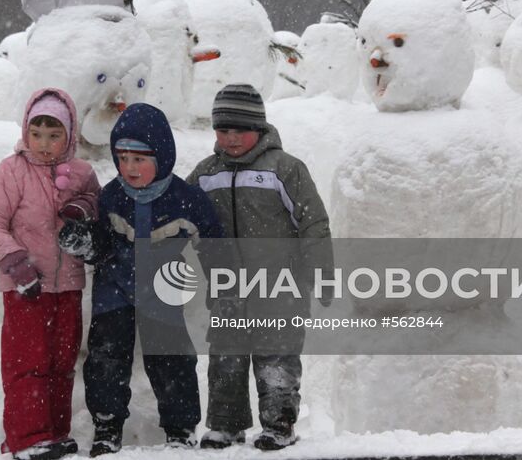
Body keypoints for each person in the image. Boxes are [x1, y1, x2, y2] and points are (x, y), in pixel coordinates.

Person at [69, 103, 223, 456]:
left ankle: (180, 428)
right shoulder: (111, 196)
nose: (130, 168)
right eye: (122, 158)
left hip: (162, 290)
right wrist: (86, 242)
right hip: (115, 291)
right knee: (106, 358)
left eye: (140, 159)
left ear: (163, 156)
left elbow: (213, 244)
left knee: (173, 357)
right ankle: (107, 427)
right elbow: (101, 244)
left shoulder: (185, 199)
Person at [187, 83, 332, 451]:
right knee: (226, 359)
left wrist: (322, 271)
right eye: (224, 130)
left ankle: (279, 425)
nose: (232, 139)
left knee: (276, 358)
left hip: (280, 287)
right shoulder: (205, 174)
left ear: (260, 127)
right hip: (228, 289)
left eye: (240, 130)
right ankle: (225, 425)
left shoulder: (284, 169)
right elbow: (181, 217)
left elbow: (313, 223)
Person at [0, 88, 101, 460]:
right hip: (25, 287)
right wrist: (14, 261)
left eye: (54, 135)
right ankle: (26, 439)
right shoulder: (12, 170)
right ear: (25, 132)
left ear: (70, 135)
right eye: (36, 134)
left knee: (61, 364)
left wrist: (83, 208)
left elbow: (97, 206)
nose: (44, 144)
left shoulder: (82, 172)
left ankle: (54, 433)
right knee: (26, 364)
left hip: (68, 286)